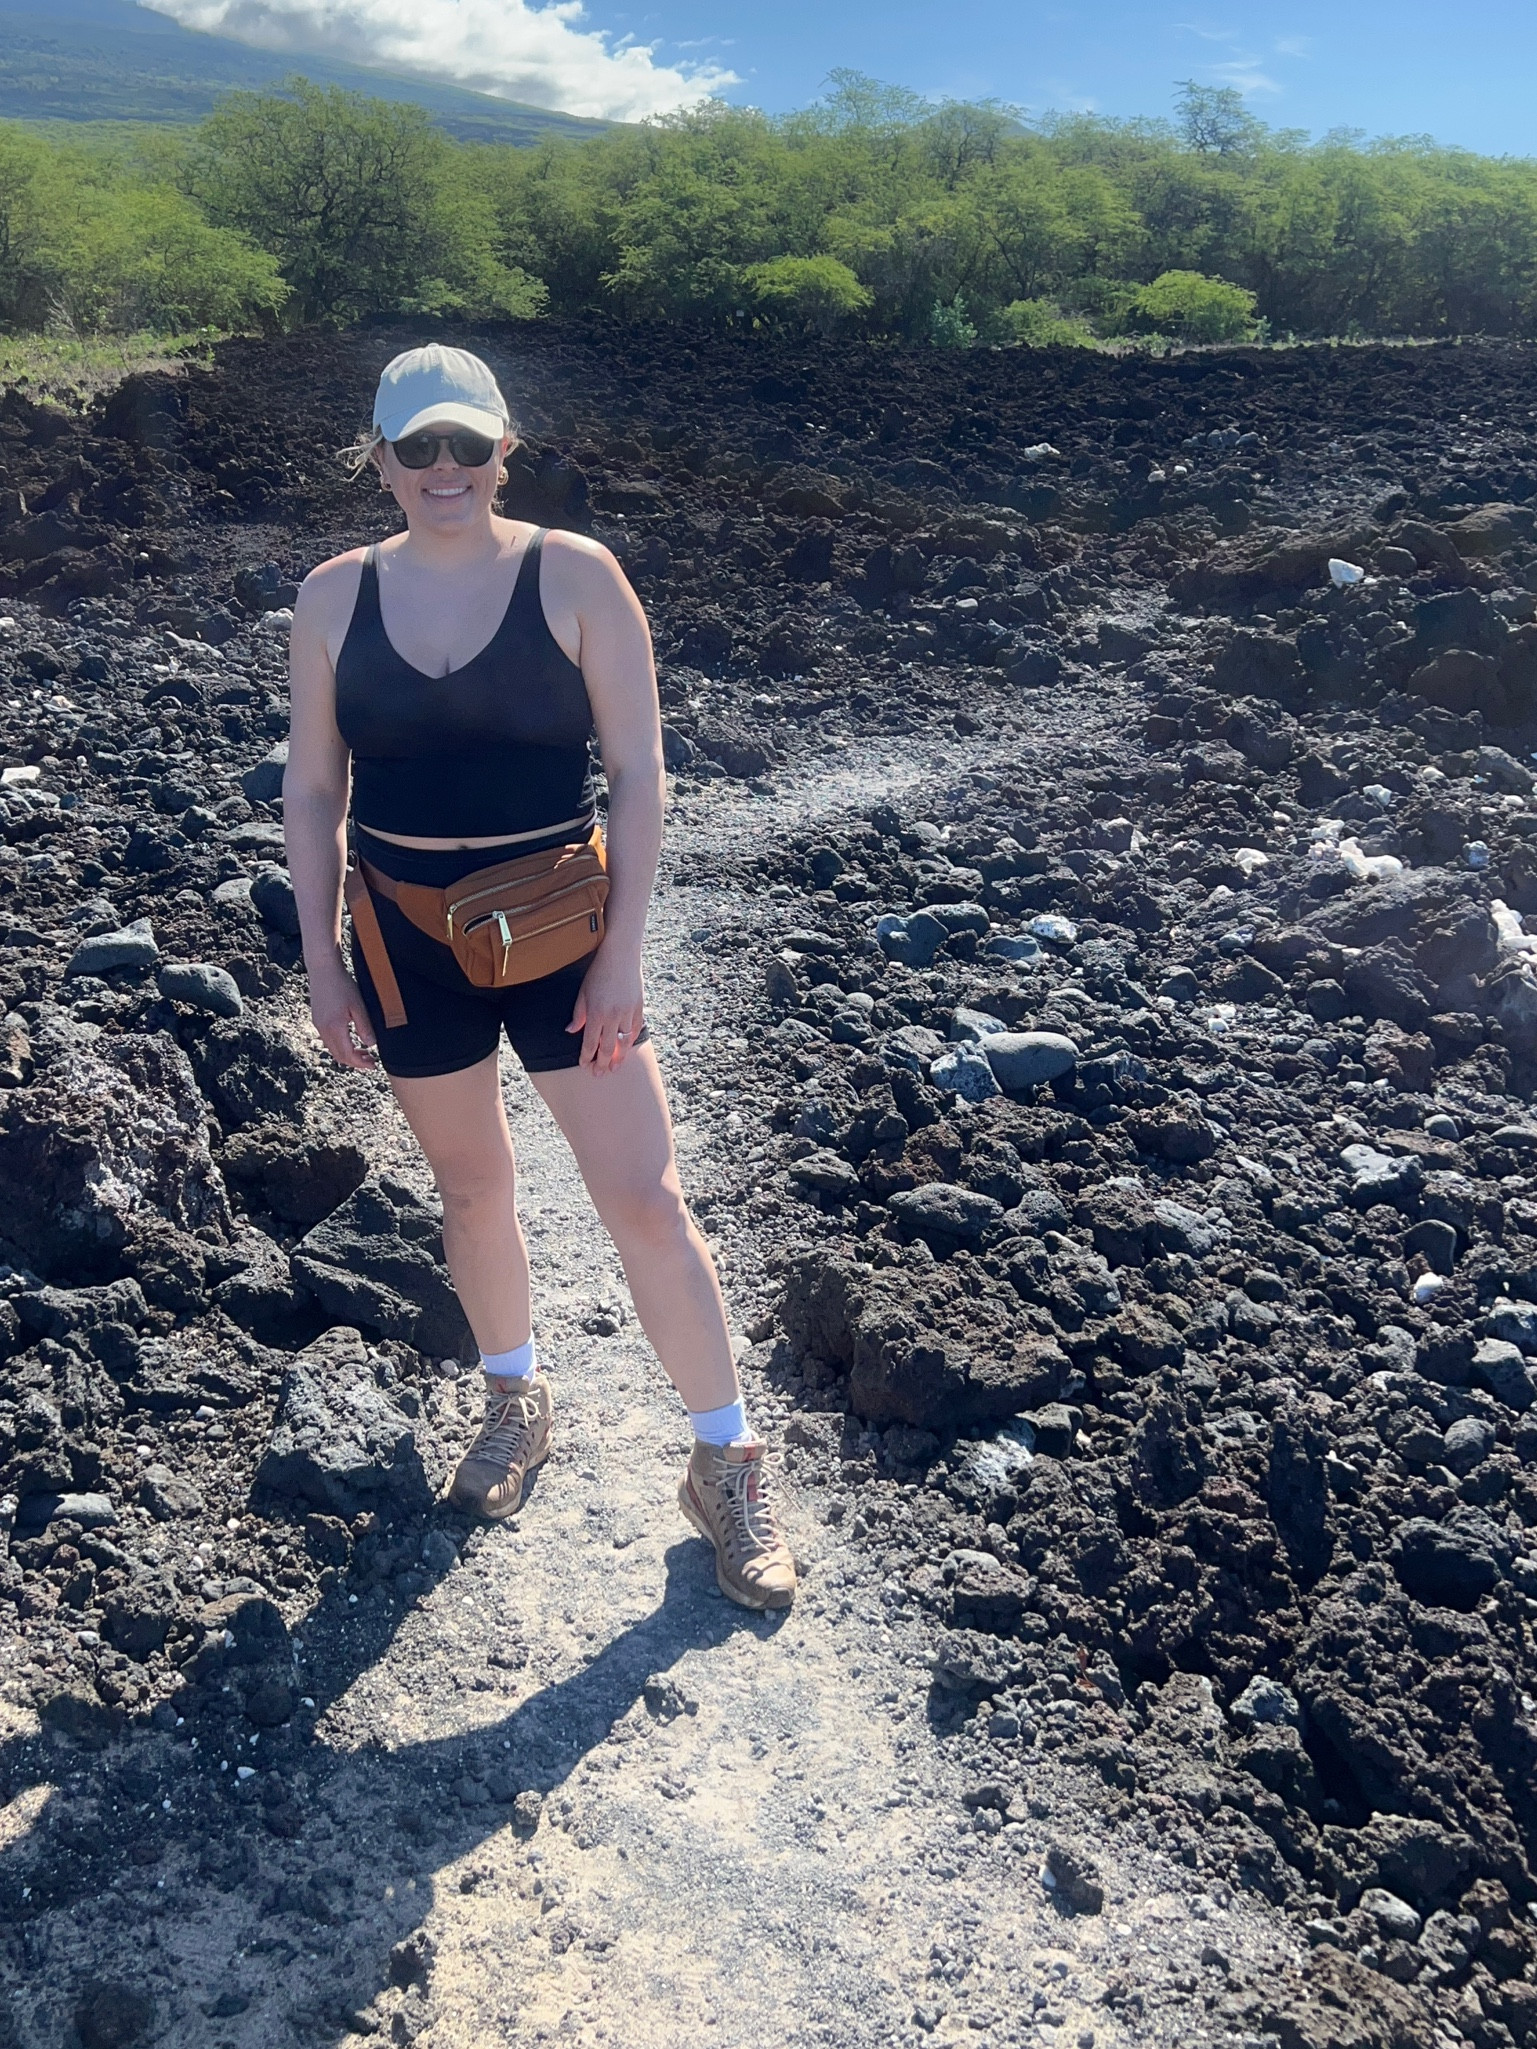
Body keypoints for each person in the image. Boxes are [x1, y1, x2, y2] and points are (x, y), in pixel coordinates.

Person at [283, 344, 796, 1611]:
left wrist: (621, 955)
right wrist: (322, 967)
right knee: (471, 1188)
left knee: (644, 1200)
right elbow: (310, 792)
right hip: (403, 941)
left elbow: (638, 774)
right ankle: (515, 1394)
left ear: (505, 451)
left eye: (468, 445)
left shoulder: (575, 576)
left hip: (563, 939)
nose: (444, 470)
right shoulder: (331, 601)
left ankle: (724, 1460)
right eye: (418, 449)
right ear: (383, 459)